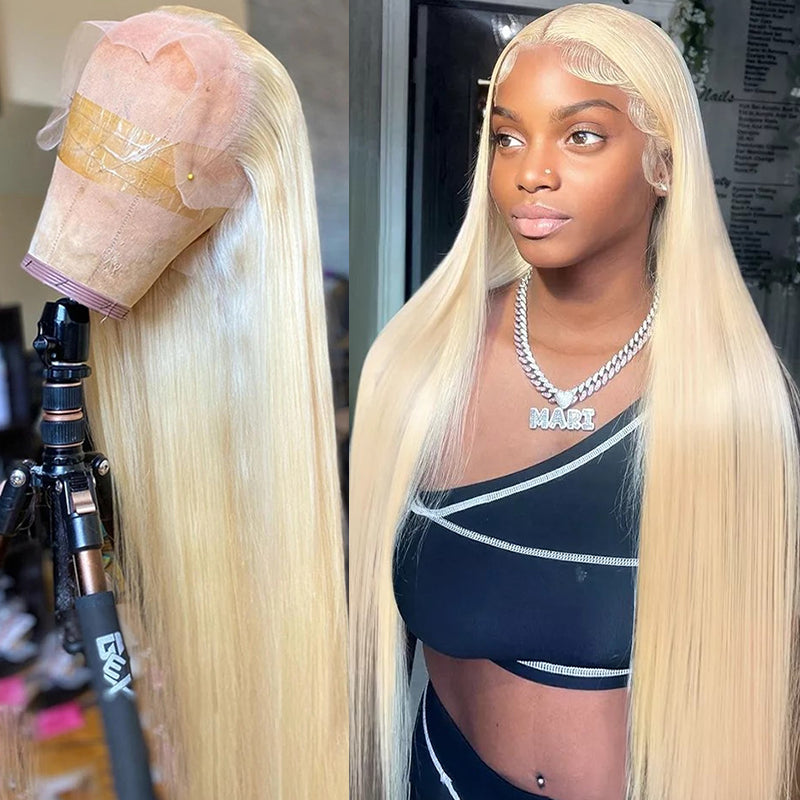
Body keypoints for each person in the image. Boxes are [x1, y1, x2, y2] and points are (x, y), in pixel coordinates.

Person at [349, 4, 800, 800]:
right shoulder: (419, 368)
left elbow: (768, 697)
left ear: (664, 164)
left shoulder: (731, 401)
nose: (531, 172)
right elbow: (365, 658)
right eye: (507, 137)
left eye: (581, 135)